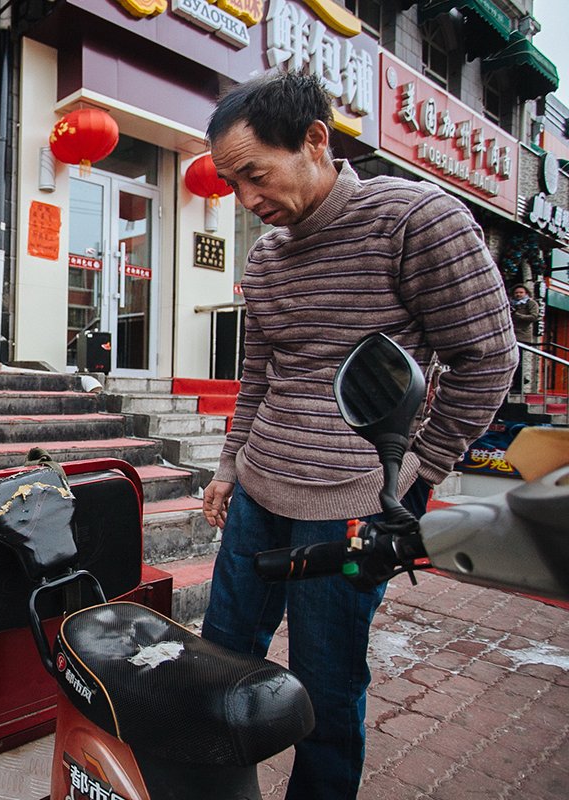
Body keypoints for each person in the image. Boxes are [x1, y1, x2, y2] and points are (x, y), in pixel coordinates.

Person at [199, 71, 517, 800]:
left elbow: (487, 358)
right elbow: (259, 376)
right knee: (221, 662)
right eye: (231, 182)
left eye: (254, 175)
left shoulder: (416, 220)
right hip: (259, 492)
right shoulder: (266, 259)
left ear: (316, 140)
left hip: (349, 508)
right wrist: (226, 467)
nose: (247, 199)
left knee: (326, 686)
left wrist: (414, 473)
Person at [510, 284, 542, 392]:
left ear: (526, 293)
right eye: (516, 293)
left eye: (521, 292)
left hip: (522, 337)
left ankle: (518, 386)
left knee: (518, 361)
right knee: (510, 360)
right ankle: (521, 380)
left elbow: (534, 317)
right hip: (511, 336)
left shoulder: (531, 303)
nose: (518, 295)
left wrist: (517, 315)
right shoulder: (511, 304)